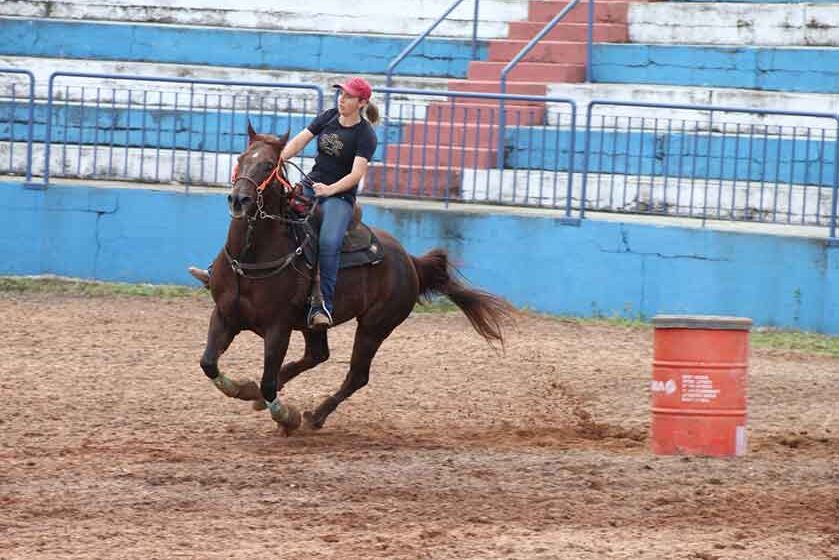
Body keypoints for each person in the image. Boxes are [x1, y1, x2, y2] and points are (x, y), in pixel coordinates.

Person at [189, 76, 379, 330]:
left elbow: (356, 174)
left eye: (348, 96)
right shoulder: (329, 116)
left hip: (339, 197)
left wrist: (330, 189)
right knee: (261, 213)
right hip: (312, 185)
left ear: (362, 102)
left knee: (329, 242)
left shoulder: (365, 134)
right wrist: (276, 162)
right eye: (340, 94)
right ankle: (216, 272)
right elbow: (301, 140)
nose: (341, 99)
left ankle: (321, 305)